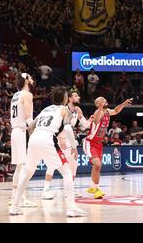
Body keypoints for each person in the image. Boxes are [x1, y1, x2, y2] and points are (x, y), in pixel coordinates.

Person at [9, 86, 87, 217]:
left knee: (26, 173)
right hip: (48, 139)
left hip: (34, 139)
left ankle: (14, 206)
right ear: (65, 98)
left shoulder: (45, 109)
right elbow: (68, 129)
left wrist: (37, 138)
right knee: (67, 172)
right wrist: (74, 146)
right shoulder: (65, 110)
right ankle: (71, 208)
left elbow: (31, 126)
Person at [41, 90, 91, 200]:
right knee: (52, 165)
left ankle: (69, 190)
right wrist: (60, 139)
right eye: (76, 96)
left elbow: (86, 125)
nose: (79, 97)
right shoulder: (63, 110)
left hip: (68, 140)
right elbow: (58, 126)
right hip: (57, 139)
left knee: (73, 165)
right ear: (70, 99)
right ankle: (46, 189)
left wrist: (92, 119)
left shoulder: (78, 110)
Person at [83, 97, 133, 199]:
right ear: (98, 104)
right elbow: (96, 120)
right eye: (102, 99)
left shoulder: (107, 112)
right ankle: (96, 189)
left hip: (98, 143)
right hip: (90, 142)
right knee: (97, 164)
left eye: (104, 99)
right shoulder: (98, 112)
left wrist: (123, 104)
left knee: (97, 167)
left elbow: (115, 111)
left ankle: (93, 187)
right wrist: (100, 108)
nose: (105, 99)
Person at [9, 73, 37, 208]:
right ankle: (22, 198)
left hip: (15, 130)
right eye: (30, 77)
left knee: (19, 167)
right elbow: (27, 116)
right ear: (26, 80)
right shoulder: (27, 94)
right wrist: (36, 132)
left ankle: (15, 197)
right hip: (20, 131)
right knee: (24, 167)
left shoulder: (15, 95)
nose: (32, 79)